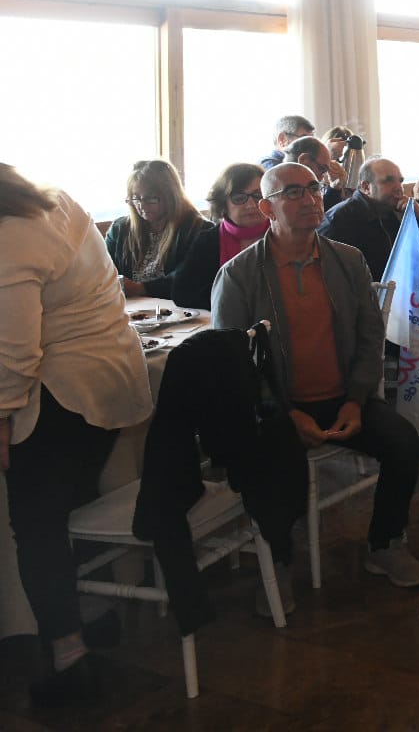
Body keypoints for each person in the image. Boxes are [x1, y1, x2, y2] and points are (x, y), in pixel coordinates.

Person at [212, 163, 419, 590]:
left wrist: (356, 400)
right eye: (293, 192)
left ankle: (385, 544)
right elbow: (233, 363)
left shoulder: (346, 260)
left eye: (313, 188)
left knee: (405, 444)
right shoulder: (239, 275)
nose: (310, 199)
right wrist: (285, 412)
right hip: (277, 407)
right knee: (278, 465)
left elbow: (370, 335)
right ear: (267, 208)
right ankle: (279, 563)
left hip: (342, 397)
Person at [0, 166, 152, 704]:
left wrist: (1, 416)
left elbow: (15, 355)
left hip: (65, 390)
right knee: (71, 504)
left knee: (35, 527)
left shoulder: (8, 236)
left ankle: (69, 659)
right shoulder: (52, 200)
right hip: (110, 373)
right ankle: (92, 615)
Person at [318, 157, 419, 457]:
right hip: (369, 316)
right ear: (365, 186)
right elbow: (332, 280)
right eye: (389, 181)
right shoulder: (341, 220)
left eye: (399, 179)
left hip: (404, 304)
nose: (398, 187)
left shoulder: (395, 213)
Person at [171, 162, 271, 310]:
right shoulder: (208, 241)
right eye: (239, 198)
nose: (251, 205)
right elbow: (181, 294)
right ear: (223, 204)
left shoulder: (285, 235)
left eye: (258, 196)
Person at [104, 159, 207, 300]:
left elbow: (190, 280)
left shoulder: (199, 230)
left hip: (179, 309)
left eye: (150, 198)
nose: (142, 206)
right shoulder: (119, 230)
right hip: (129, 309)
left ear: (171, 196)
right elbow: (102, 272)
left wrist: (140, 288)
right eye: (136, 198)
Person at [285, 135, 350, 211]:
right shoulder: (286, 195)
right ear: (304, 160)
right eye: (322, 169)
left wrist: (335, 187)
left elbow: (321, 212)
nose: (321, 178)